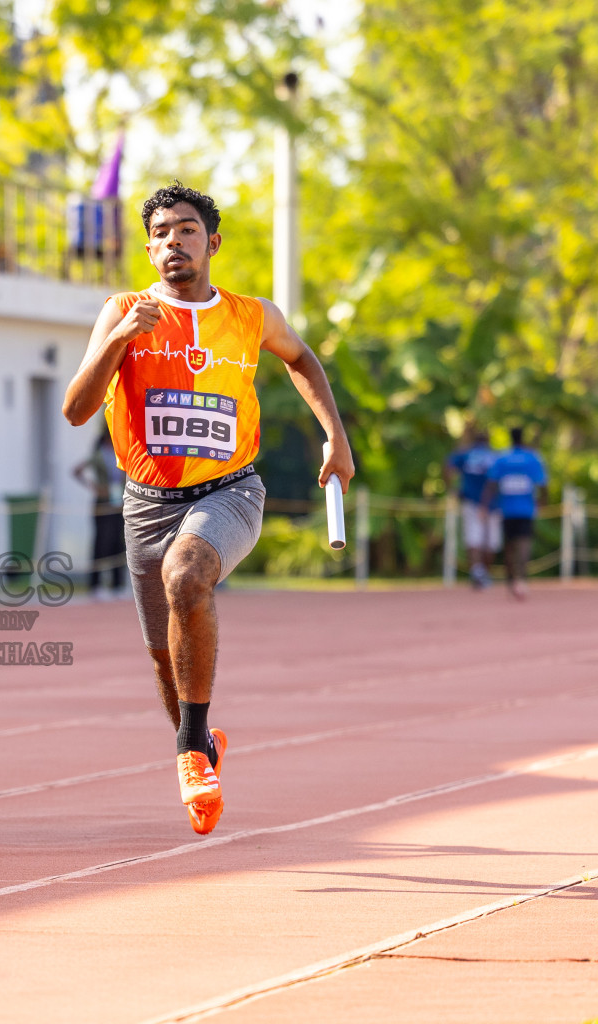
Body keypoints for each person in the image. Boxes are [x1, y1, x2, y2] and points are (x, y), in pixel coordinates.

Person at [62, 181, 355, 835]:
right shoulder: (124, 310)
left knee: (187, 575)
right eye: (161, 232)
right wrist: (118, 342)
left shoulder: (251, 316)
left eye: (186, 229)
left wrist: (336, 437)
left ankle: (189, 750)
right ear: (148, 248)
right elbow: (76, 409)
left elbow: (301, 357)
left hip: (229, 490)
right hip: (146, 503)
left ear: (212, 242)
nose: (173, 241)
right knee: (165, 654)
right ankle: (202, 742)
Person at [483, 426, 547, 600]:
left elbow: (491, 484)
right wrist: (542, 503)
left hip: (507, 509)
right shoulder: (532, 458)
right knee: (524, 543)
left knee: (510, 546)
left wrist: (486, 505)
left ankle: (512, 580)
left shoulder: (502, 459)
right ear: (523, 438)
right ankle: (521, 579)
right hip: (526, 509)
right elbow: (542, 484)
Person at [72, 424, 126, 597]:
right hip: (103, 502)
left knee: (119, 542)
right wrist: (94, 486)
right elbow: (77, 470)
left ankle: (117, 584)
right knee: (101, 542)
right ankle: (95, 584)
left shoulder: (120, 452)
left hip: (119, 502)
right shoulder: (98, 455)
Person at [444, 427, 499, 588]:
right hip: (493, 504)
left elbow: (448, 465)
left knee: (473, 539)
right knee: (490, 542)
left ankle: (477, 572)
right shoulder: (495, 456)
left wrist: (451, 489)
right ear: (488, 440)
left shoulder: (465, 454)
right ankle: (484, 574)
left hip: (471, 501)